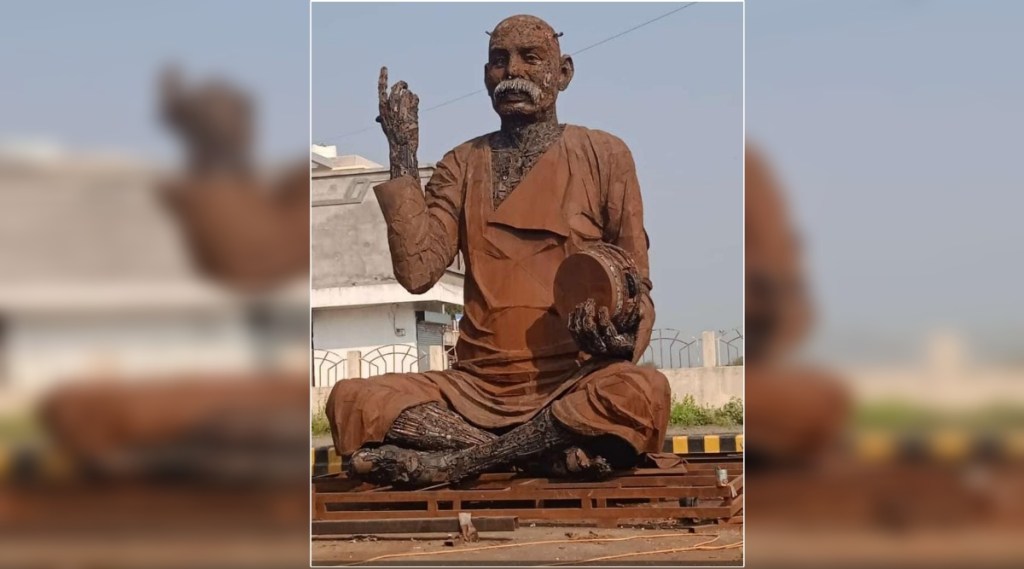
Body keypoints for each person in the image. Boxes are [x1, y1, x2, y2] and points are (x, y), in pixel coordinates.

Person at [327, 15, 671, 487]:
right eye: (498, 60)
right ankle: (534, 453)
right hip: (474, 387)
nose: (512, 71)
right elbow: (418, 272)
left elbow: (637, 287)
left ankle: (457, 462)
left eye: (531, 58)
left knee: (639, 393)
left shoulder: (604, 155)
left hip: (572, 381)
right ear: (484, 74)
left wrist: (617, 341)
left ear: (564, 72)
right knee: (353, 399)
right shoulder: (462, 163)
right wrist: (402, 154)